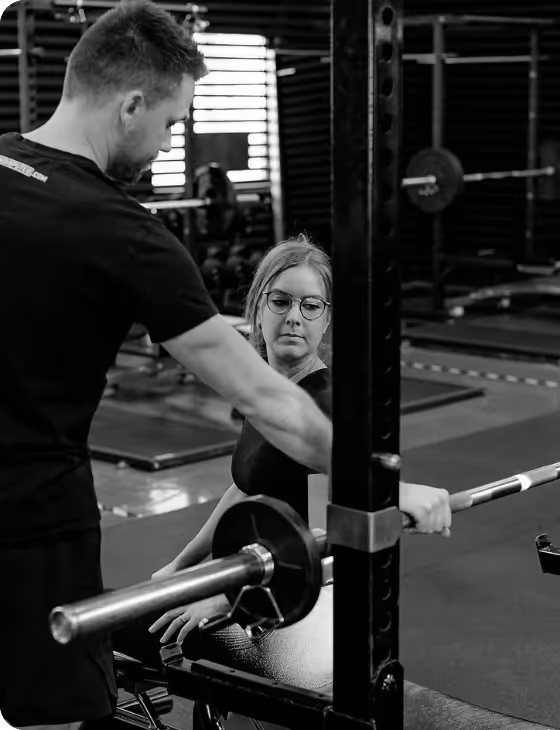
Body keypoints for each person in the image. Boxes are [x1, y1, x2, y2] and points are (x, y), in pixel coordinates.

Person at [0, 3, 333, 728]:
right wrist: (396, 480)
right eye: (172, 125)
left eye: (312, 308)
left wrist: (197, 583)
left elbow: (290, 510)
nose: (166, 143)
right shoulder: (122, 233)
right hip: (31, 531)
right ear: (131, 106)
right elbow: (269, 414)